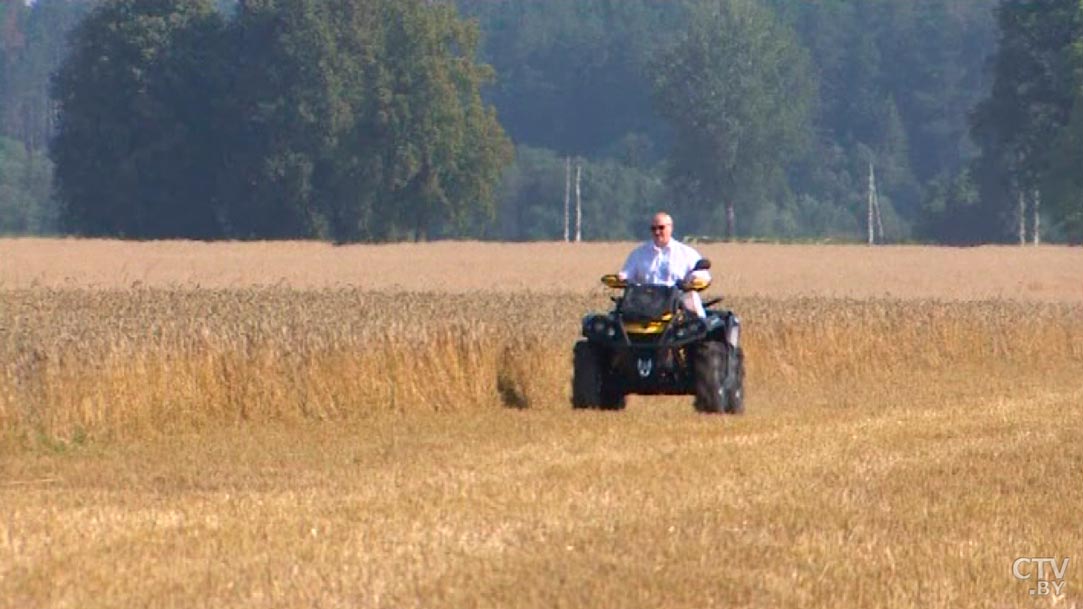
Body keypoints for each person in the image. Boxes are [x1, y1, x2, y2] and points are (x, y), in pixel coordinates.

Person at [618, 212, 710, 317]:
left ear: (671, 228)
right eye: (653, 229)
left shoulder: (687, 253)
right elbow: (626, 274)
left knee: (696, 319)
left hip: (678, 306)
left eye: (661, 228)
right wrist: (621, 278)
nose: (657, 232)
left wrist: (695, 279)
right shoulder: (638, 254)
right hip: (644, 305)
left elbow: (702, 275)